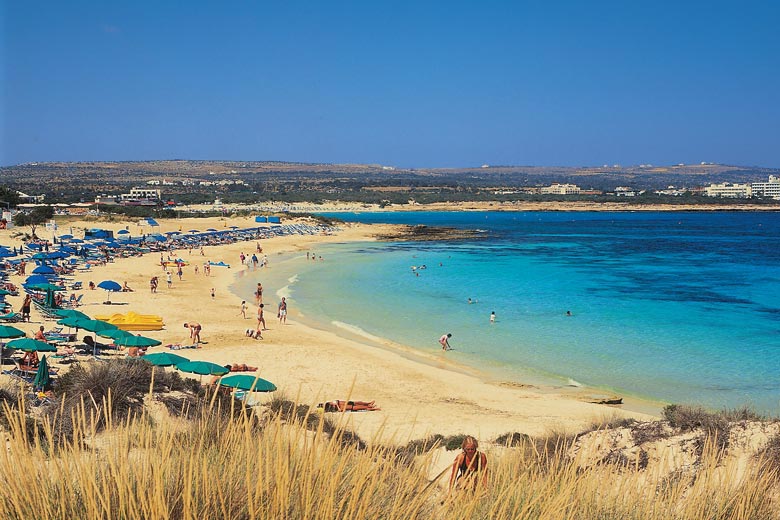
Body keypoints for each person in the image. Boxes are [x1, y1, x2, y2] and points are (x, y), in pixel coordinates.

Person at [316, 400, 380, 412]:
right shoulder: (330, 409)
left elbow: (335, 401)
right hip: (343, 407)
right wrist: (337, 405)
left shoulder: (328, 403)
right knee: (359, 407)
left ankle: (368, 403)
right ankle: (373, 408)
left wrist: (335, 403)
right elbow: (339, 410)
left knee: (357, 402)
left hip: (343, 403)